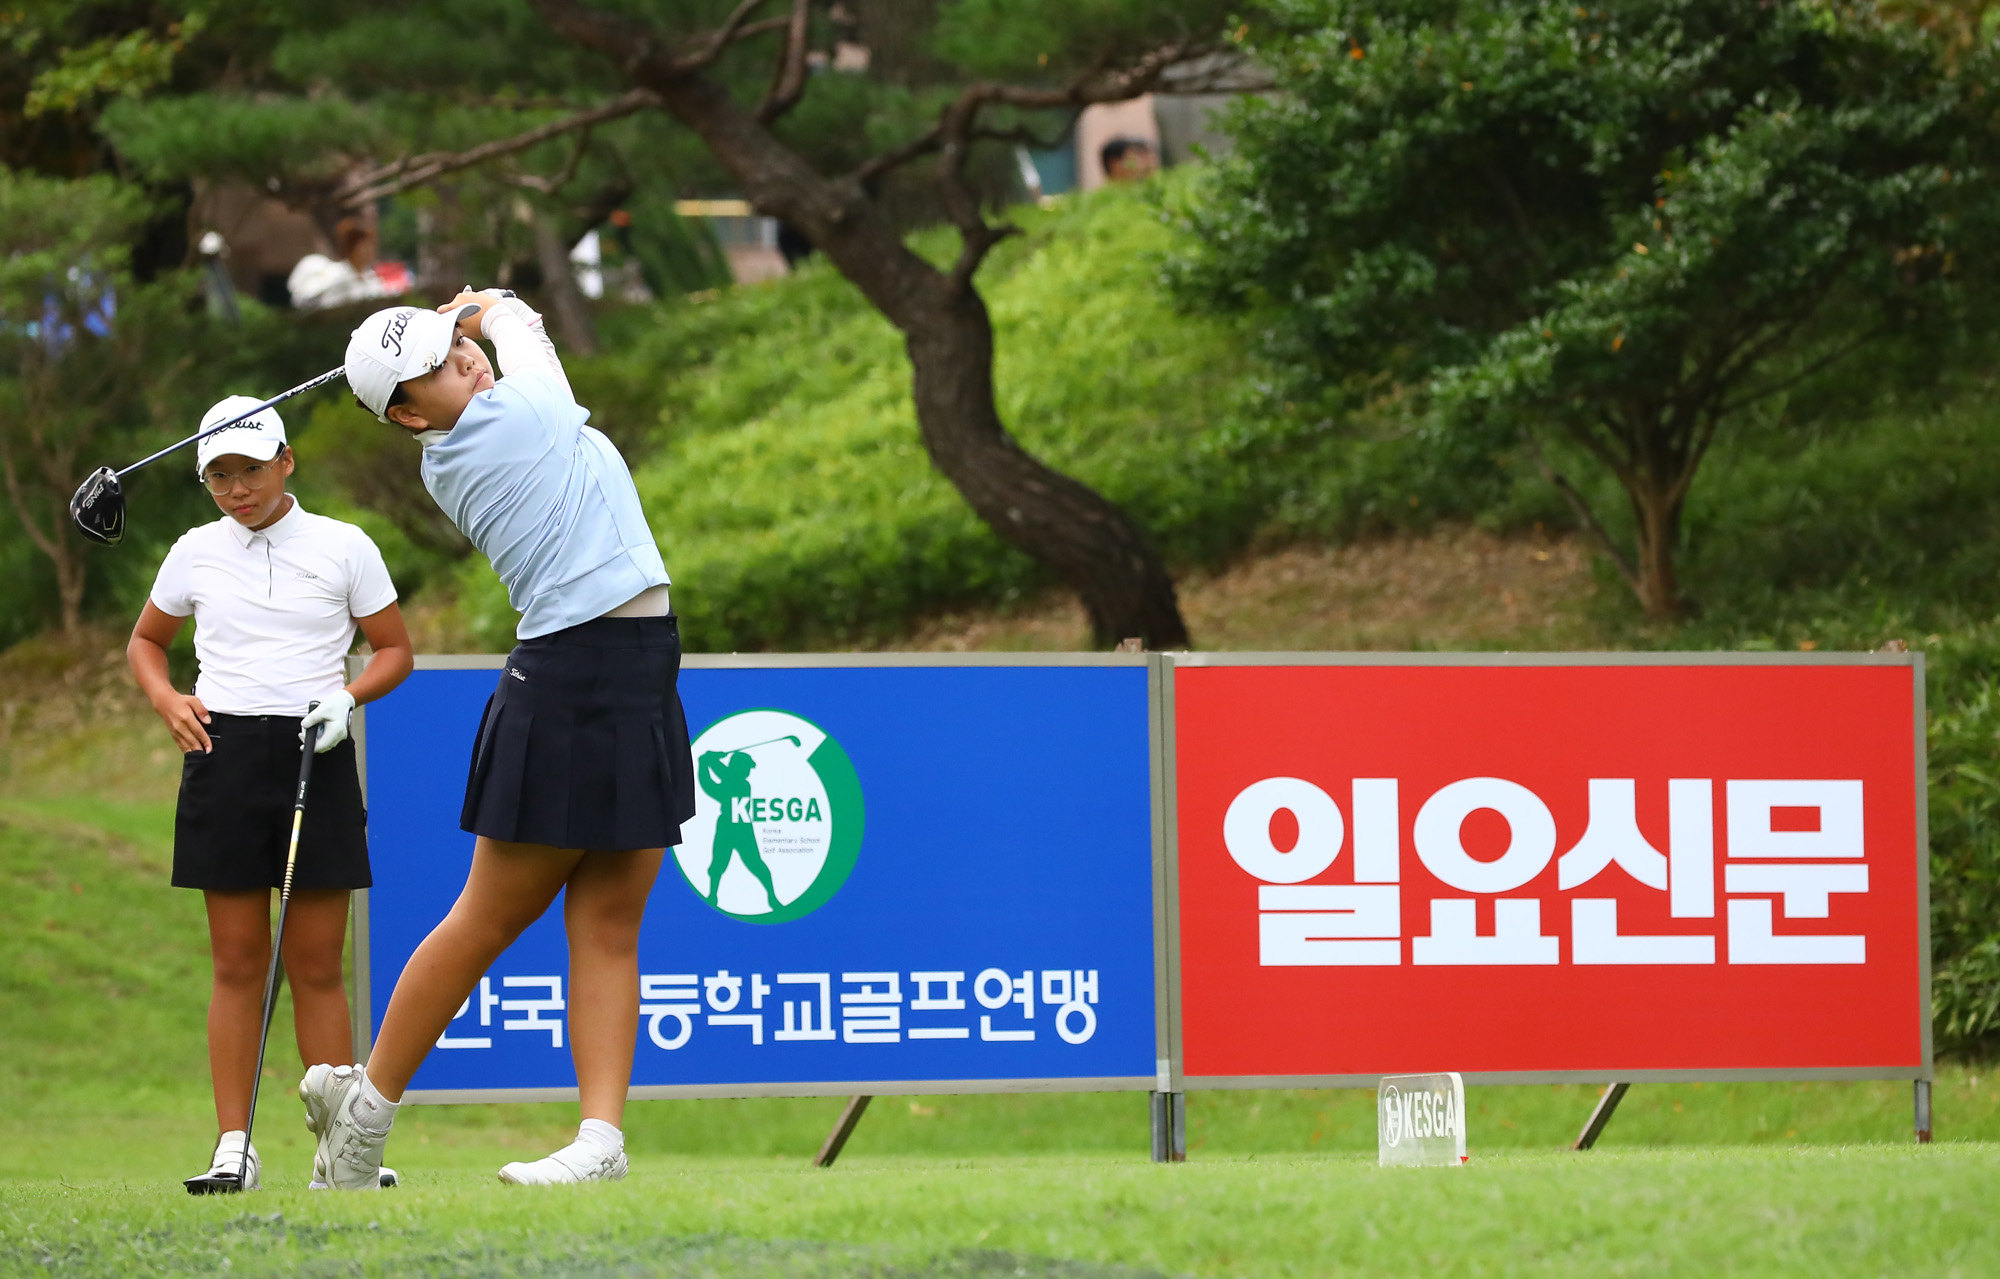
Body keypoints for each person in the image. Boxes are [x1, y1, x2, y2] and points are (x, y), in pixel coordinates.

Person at [301, 288, 695, 1189]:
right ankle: (363, 1120)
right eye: (436, 367)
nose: (462, 360)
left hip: (638, 660)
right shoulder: (496, 434)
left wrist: (458, 323)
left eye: (454, 345)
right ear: (405, 414)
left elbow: (520, 362)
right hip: (570, 672)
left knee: (609, 918)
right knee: (488, 917)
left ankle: (601, 1140)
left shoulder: (501, 414)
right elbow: (530, 346)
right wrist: (494, 305)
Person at [127, 396, 414, 1190]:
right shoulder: (193, 551)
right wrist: (165, 698)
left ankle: (342, 1150)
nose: (235, 489)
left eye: (248, 470)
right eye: (218, 475)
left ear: (285, 460)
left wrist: (351, 697)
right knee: (238, 960)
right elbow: (147, 641)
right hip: (223, 752)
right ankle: (233, 1147)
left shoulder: (343, 545)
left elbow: (394, 650)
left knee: (318, 961)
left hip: (311, 749)